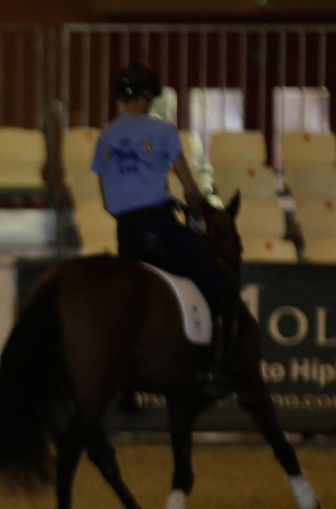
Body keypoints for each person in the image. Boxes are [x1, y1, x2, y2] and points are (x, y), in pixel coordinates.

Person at [92, 62, 236, 393]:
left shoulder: (105, 136)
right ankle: (215, 365)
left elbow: (104, 198)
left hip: (126, 233)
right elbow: (188, 188)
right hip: (160, 227)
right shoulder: (164, 132)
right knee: (218, 283)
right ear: (148, 97)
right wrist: (196, 211)